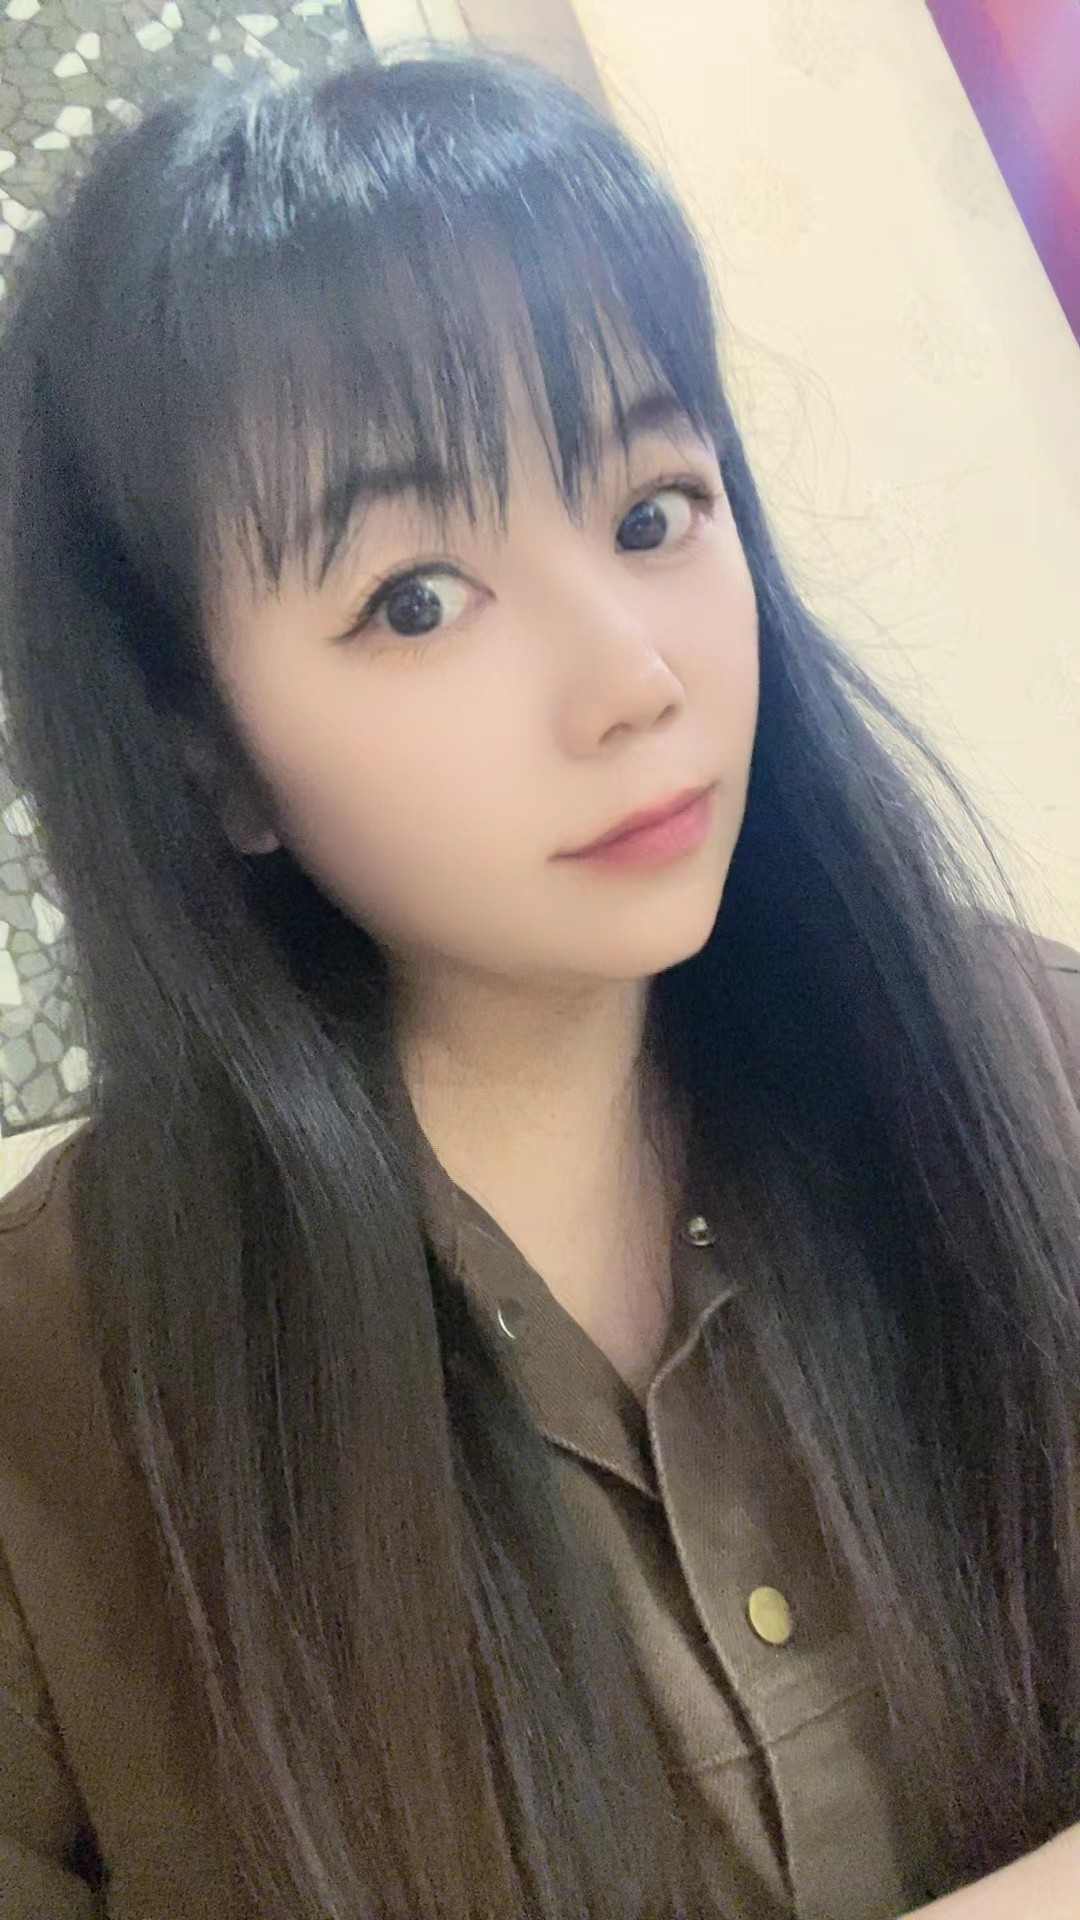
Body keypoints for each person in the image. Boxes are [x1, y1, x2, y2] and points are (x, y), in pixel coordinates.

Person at [0, 47, 1076, 1920]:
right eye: (416, 599)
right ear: (206, 751)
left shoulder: (1023, 1064)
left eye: (654, 510)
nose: (633, 677)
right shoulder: (52, 1409)